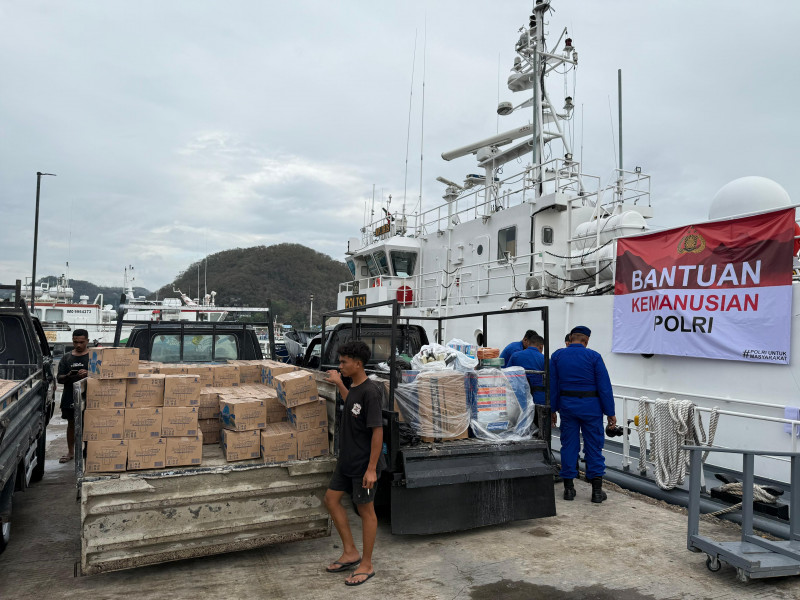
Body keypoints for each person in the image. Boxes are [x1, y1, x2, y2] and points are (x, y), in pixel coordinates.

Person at [323, 340, 385, 586]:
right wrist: (339, 384)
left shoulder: (371, 391)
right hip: (347, 460)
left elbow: (377, 431)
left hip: (363, 464)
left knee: (365, 511)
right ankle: (350, 552)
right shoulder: (355, 388)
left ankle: (367, 564)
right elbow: (353, 408)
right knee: (331, 499)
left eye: (344, 362)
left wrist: (371, 469)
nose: (340, 366)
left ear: (358, 364)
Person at [550, 326, 616, 503]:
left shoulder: (557, 356)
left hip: (568, 408)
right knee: (594, 447)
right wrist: (610, 413)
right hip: (591, 409)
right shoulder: (594, 356)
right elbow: (604, 387)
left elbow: (553, 386)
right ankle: (596, 492)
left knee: (569, 446)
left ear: (571, 339)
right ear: (586, 341)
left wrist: (552, 410)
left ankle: (569, 490)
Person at [56, 329, 90, 463]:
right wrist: (69, 375)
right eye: (76, 342)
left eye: (81, 342)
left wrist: (88, 372)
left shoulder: (93, 356)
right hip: (70, 396)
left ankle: (88, 450)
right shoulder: (66, 358)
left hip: (89, 395)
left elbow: (102, 374)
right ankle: (71, 452)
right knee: (71, 424)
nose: (78, 345)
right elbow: (59, 378)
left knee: (89, 424)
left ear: (87, 341)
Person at [508, 332, 546, 406]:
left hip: (519, 398)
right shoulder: (544, 359)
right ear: (541, 347)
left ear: (529, 344)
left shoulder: (515, 356)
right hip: (538, 399)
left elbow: (508, 376)